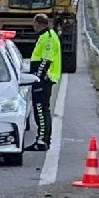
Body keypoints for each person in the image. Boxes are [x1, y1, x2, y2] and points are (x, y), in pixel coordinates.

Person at [26, 15, 62, 151]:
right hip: (42, 79)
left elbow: (46, 61)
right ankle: (43, 139)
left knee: (41, 110)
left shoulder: (49, 38)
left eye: (34, 24)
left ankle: (42, 140)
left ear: (38, 23)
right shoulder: (44, 36)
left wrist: (38, 78)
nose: (33, 26)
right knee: (40, 109)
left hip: (44, 79)